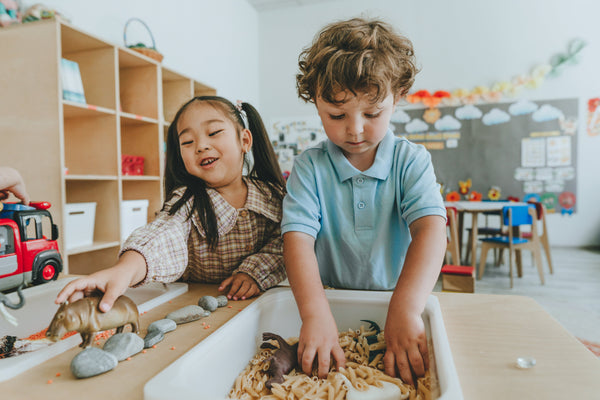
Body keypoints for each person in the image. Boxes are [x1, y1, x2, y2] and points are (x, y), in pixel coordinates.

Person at [282, 18, 447, 385]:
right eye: (336, 115)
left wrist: (405, 307)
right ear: (315, 103)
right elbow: (297, 239)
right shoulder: (310, 166)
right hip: (331, 303)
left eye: (372, 114)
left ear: (398, 97)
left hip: (403, 300)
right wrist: (314, 313)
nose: (355, 129)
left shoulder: (411, 160)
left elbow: (431, 231)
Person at [56, 96, 287, 311]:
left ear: (244, 140)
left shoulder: (273, 196)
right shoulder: (187, 200)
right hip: (194, 309)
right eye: (187, 141)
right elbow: (163, 234)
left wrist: (255, 271)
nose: (200, 146)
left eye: (214, 132)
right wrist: (123, 271)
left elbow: (291, 242)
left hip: (258, 307)